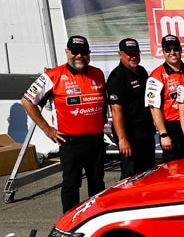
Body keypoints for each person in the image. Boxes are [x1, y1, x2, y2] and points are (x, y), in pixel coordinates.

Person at [21, 35, 106, 213]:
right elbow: (27, 101)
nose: (79, 55)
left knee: (97, 182)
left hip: (96, 140)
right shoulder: (52, 75)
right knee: (72, 183)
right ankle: (69, 221)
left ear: (89, 53)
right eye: (75, 51)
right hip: (70, 142)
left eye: (83, 52)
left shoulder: (97, 73)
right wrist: (47, 129)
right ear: (67, 52)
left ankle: (96, 218)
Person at [106, 37, 155, 180]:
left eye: (136, 53)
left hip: (145, 129)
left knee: (149, 170)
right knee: (131, 173)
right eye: (129, 54)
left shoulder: (141, 71)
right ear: (120, 54)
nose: (133, 57)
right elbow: (116, 111)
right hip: (129, 132)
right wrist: (122, 139)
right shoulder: (117, 77)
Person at [145, 34, 184, 162]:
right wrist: (163, 134)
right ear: (163, 52)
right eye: (168, 50)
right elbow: (154, 108)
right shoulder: (156, 76)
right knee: (173, 167)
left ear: (181, 50)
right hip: (171, 127)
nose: (172, 52)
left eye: (175, 49)